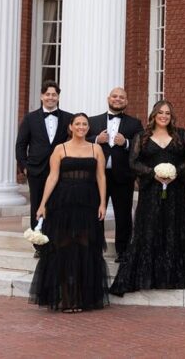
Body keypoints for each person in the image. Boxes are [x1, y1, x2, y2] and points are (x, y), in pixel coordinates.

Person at [109, 100, 185, 295]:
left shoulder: (181, 135)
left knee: (174, 228)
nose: (164, 116)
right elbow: (133, 162)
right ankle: (148, 276)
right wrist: (154, 173)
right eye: (160, 112)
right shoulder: (142, 137)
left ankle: (174, 276)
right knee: (150, 228)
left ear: (171, 116)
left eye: (167, 113)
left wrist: (174, 173)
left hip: (176, 191)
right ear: (154, 114)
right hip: (151, 191)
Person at [28, 113, 109, 312]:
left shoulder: (96, 148)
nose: (81, 127)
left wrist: (102, 204)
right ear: (71, 127)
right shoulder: (60, 149)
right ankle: (66, 298)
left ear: (88, 128)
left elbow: (101, 177)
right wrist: (42, 204)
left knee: (85, 247)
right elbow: (52, 177)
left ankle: (82, 298)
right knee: (63, 248)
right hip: (62, 204)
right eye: (78, 124)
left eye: (85, 124)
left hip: (88, 204)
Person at [87, 87, 143, 262]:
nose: (118, 99)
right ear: (108, 98)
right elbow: (79, 140)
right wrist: (96, 139)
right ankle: (95, 249)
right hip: (97, 176)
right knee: (96, 212)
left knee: (123, 215)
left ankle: (123, 251)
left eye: (121, 97)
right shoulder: (93, 121)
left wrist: (125, 142)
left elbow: (141, 145)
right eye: (115, 96)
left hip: (123, 176)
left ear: (126, 101)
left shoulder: (134, 124)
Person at [15, 80, 72, 242]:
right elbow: (20, 145)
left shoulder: (68, 118)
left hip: (60, 170)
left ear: (58, 97)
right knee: (37, 205)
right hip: (36, 171)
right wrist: (24, 167)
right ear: (41, 96)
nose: (51, 97)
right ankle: (38, 242)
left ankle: (55, 239)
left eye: (54, 95)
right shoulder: (30, 119)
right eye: (47, 94)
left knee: (58, 205)